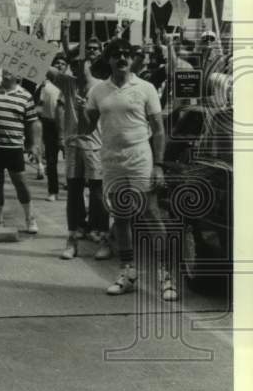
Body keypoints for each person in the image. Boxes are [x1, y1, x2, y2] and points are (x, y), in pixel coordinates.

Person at [84, 38, 173, 299]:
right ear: (109, 59)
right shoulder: (98, 90)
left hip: (140, 159)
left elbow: (158, 131)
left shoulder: (145, 88)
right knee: (121, 217)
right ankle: (127, 273)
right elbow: (87, 128)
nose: (122, 58)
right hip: (112, 161)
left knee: (151, 214)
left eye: (126, 53)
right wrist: (82, 113)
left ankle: (165, 276)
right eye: (116, 54)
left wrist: (158, 165)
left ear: (131, 59)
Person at [46, 56, 109, 259]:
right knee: (73, 192)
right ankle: (72, 238)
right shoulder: (68, 83)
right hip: (73, 145)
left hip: (95, 145)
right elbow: (44, 68)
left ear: (91, 63)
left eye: (82, 62)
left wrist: (87, 110)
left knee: (98, 194)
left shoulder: (102, 87)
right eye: (73, 63)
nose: (77, 67)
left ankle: (104, 237)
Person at [0, 70, 41, 233]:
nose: (7, 71)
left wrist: (33, 144)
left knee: (20, 183)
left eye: (12, 70)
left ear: (19, 77)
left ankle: (30, 218)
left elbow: (31, 122)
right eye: (5, 68)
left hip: (14, 148)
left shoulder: (25, 96)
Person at [36, 55, 65, 201]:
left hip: (68, 127)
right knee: (51, 161)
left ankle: (74, 191)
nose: (59, 66)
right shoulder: (45, 86)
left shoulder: (71, 83)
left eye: (62, 63)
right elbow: (39, 106)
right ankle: (53, 191)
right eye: (57, 64)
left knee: (72, 161)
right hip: (50, 126)